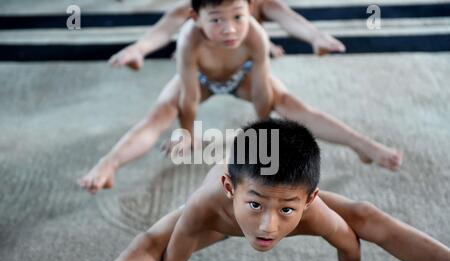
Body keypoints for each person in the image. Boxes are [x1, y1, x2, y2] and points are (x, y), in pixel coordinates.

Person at [79, 119, 450, 261]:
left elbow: (348, 242)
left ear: (310, 199)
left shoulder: (311, 210)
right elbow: (177, 252)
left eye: (287, 211)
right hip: (221, 219)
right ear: (229, 187)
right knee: (145, 245)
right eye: (256, 206)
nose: (268, 226)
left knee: (366, 215)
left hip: (270, 197)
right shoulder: (205, 202)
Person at [78, 0, 402, 194]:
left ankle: (362, 145)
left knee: (293, 105)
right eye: (218, 20)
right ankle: (110, 163)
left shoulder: (254, 30)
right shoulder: (189, 35)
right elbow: (188, 95)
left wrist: (262, 131)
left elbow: (262, 89)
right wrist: (187, 134)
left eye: (237, 18)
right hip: (200, 77)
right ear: (198, 17)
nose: (230, 29)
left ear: (248, 10)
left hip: (244, 74)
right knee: (160, 113)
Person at [109, 0, 346, 71]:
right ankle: (141, 51)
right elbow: (165, 27)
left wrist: (316, 35)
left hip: (250, 25)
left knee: (274, 7)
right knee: (181, 15)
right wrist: (138, 48)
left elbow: (286, 16)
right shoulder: (193, 11)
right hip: (204, 33)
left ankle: (315, 40)